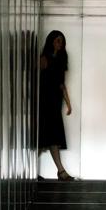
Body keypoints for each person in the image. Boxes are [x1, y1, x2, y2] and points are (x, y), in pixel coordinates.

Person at [38, 30, 74, 181]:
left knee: (50, 137)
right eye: (58, 40)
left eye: (62, 41)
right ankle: (60, 171)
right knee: (45, 137)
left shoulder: (60, 60)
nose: (60, 44)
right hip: (44, 101)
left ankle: (60, 171)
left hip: (54, 102)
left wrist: (68, 103)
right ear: (51, 41)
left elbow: (61, 84)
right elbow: (37, 80)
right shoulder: (44, 58)